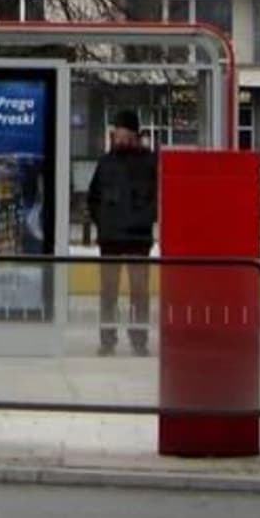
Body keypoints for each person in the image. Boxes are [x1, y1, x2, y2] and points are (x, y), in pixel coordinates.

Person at [85, 110, 158, 355]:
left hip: (138, 237)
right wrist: (103, 221)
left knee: (139, 291)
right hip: (111, 237)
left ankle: (139, 340)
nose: (121, 141)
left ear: (136, 136)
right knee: (108, 291)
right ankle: (107, 339)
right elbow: (93, 197)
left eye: (126, 137)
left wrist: (145, 218)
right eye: (118, 136)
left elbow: (158, 197)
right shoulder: (106, 163)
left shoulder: (150, 162)